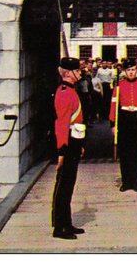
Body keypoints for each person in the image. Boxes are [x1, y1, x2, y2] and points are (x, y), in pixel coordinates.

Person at [51, 57, 87, 239]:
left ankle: (66, 222)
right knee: (63, 186)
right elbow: (62, 124)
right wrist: (62, 151)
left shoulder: (71, 91)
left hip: (74, 142)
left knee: (69, 185)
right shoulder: (65, 92)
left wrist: (79, 146)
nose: (80, 73)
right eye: (77, 70)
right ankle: (59, 227)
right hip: (67, 143)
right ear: (68, 73)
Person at [109, 58, 137, 192]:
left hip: (136, 119)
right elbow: (114, 105)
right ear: (124, 71)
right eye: (128, 70)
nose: (131, 72)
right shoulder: (119, 85)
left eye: (133, 70)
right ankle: (125, 182)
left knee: (135, 151)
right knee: (124, 151)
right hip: (124, 118)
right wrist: (113, 123)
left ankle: (134, 182)